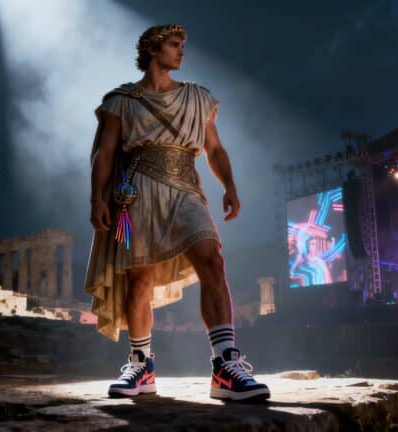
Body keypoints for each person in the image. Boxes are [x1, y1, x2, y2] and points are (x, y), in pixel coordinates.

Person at [84, 24, 270, 402]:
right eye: (174, 45)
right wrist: (97, 200)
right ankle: (141, 365)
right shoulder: (121, 101)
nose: (181, 52)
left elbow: (214, 150)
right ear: (153, 50)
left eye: (182, 46)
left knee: (212, 259)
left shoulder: (198, 97)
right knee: (140, 280)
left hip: (186, 189)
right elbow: (104, 154)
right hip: (137, 191)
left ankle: (225, 365)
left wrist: (229, 186)